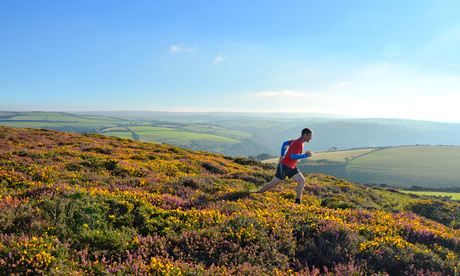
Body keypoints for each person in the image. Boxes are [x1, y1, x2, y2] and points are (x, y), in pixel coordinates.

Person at [256, 128, 313, 204]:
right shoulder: (298, 143)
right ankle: (257, 193)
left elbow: (284, 143)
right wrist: (305, 155)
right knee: (273, 184)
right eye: (310, 136)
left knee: (302, 181)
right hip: (285, 166)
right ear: (305, 135)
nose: (311, 138)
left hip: (291, 167)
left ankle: (297, 201)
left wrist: (282, 155)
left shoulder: (295, 141)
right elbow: (293, 156)